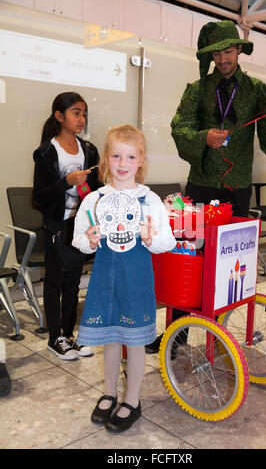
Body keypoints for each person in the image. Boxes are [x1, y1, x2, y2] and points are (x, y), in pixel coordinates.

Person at [146, 19, 266, 356]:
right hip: (200, 190)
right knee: (190, 262)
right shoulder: (196, 90)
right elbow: (179, 128)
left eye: (229, 50)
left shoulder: (257, 91)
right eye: (217, 53)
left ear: (239, 50)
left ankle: (220, 336)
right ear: (211, 56)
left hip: (237, 192)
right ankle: (178, 335)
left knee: (230, 268)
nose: (224, 58)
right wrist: (204, 137)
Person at [72, 124, 176, 433]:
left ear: (141, 161)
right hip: (105, 281)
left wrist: (149, 238)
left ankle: (132, 399)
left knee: (134, 342)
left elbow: (166, 243)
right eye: (116, 155)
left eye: (130, 157)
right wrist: (89, 239)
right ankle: (109, 393)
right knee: (110, 340)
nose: (122, 163)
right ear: (106, 159)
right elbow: (79, 237)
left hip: (136, 282)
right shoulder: (95, 200)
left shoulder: (150, 201)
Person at [33, 92, 100, 360]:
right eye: (75, 112)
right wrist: (67, 182)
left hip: (80, 226)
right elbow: (40, 196)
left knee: (73, 283)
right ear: (59, 116)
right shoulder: (47, 152)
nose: (81, 118)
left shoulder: (89, 149)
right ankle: (54, 338)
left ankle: (70, 335)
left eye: (83, 113)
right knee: (54, 283)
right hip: (56, 227)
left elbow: (95, 189)